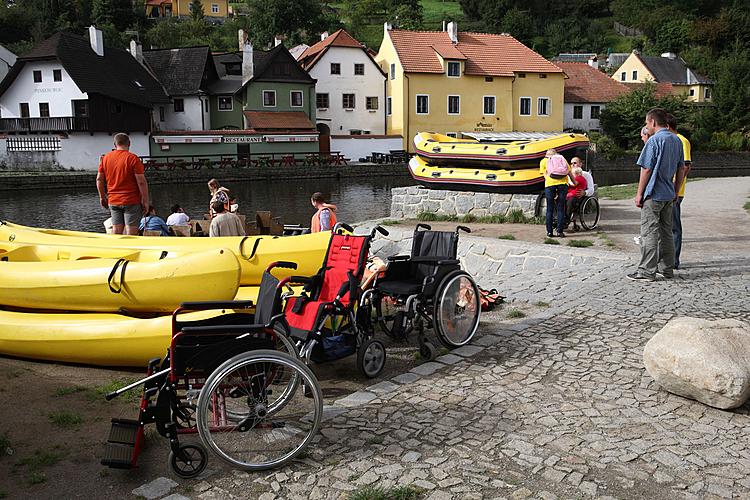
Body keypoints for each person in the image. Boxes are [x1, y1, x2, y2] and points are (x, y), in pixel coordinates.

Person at [628, 108, 685, 282]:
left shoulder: (653, 142)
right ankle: (666, 269)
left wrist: (639, 194)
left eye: (647, 123)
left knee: (649, 232)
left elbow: (646, 169)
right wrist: (676, 191)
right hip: (668, 194)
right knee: (666, 232)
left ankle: (646, 271)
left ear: (653, 122)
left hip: (653, 194)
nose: (647, 126)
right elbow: (681, 168)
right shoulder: (677, 141)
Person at [96, 133, 149, 235]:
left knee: (116, 232)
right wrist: (145, 201)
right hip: (131, 200)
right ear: (129, 143)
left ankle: (117, 250)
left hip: (113, 200)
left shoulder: (105, 158)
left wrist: (102, 197)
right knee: (131, 233)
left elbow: (99, 179)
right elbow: (141, 182)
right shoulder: (133, 158)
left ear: (115, 144)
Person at [666, 113, 692, 270]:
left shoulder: (682, 141)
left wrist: (676, 186)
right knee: (668, 226)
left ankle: (674, 260)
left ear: (668, 127)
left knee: (674, 226)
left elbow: (686, 165)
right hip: (669, 189)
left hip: (676, 191)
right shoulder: (671, 140)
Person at [539, 149, 575, 238]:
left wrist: (549, 180)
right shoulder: (561, 159)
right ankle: (560, 232)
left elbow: (545, 175)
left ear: (546, 154)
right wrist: (574, 182)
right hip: (562, 184)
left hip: (550, 185)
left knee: (550, 209)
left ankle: (549, 232)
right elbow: (569, 172)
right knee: (560, 208)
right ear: (556, 154)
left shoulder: (543, 161)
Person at [566, 164, 588, 230]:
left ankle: (567, 219)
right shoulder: (580, 178)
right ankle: (564, 218)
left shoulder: (579, 178)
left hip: (576, 196)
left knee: (570, 202)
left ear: (577, 173)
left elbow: (573, 184)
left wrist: (566, 183)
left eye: (572, 174)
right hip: (573, 194)